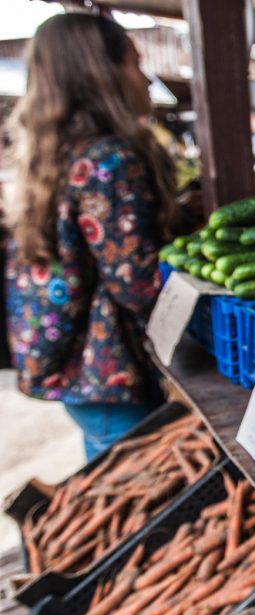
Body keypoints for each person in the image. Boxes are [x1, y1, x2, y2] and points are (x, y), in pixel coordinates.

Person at [4, 14, 178, 458]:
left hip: (76, 371)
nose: (145, 80)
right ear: (105, 73)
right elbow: (137, 284)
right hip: (112, 371)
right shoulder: (111, 161)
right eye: (136, 64)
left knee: (105, 471)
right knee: (132, 491)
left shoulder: (55, 156)